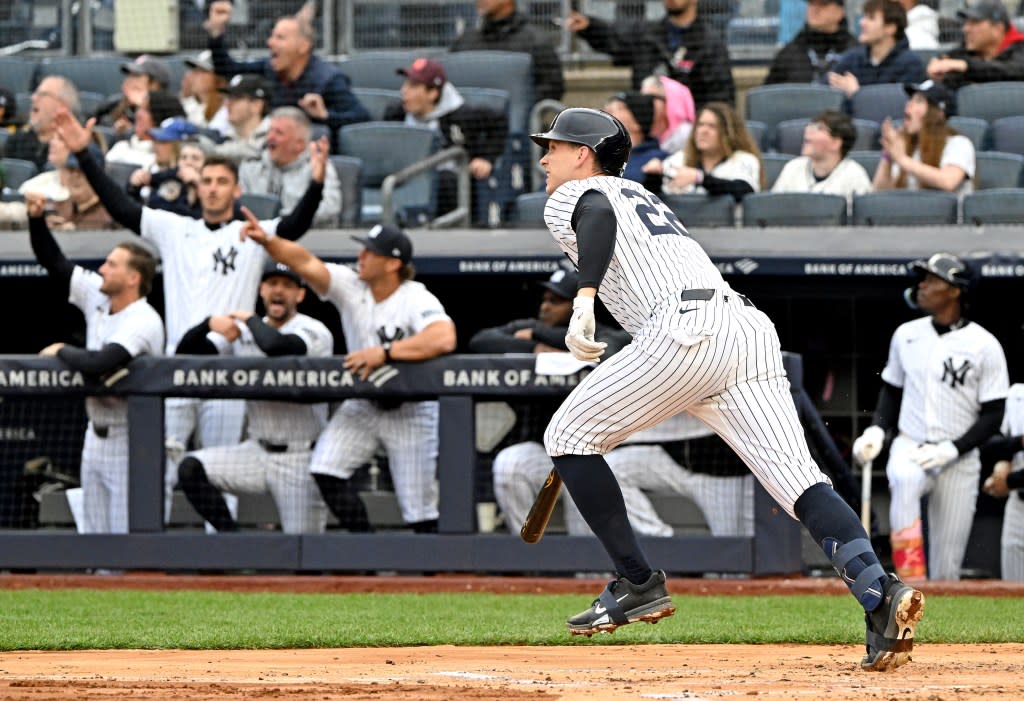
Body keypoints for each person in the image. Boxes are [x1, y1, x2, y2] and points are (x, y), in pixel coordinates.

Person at [529, 106, 923, 670]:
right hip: (744, 331)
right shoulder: (644, 197)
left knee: (568, 434)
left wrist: (584, 297)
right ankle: (880, 595)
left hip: (687, 331)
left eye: (555, 147)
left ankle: (636, 581)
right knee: (798, 482)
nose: (546, 158)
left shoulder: (579, 193)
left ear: (584, 155)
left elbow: (595, 214)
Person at [52, 106, 328, 523]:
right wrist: (85, 155)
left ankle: (221, 566)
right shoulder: (175, 228)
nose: (213, 189)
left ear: (237, 190)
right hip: (176, 368)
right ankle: (155, 561)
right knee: (159, 471)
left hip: (225, 369)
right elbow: (121, 206)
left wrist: (317, 183)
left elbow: (295, 224)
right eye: (207, 182)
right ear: (196, 188)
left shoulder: (250, 232)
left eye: (222, 182)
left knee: (218, 478)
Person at [470, 268, 752, 539]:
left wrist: (546, 338)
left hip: (605, 449)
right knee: (510, 464)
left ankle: (599, 565)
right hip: (546, 448)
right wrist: (535, 346)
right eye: (545, 299)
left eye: (556, 301)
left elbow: (608, 349)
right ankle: (530, 560)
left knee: (587, 473)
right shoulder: (528, 327)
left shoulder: (612, 336)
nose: (545, 307)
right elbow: (481, 341)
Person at [241, 222, 456, 533]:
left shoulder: (415, 297)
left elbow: (443, 337)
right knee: (325, 470)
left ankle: (433, 575)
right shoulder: (351, 285)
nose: (362, 255)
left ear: (393, 263)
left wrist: (385, 352)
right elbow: (304, 261)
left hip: (410, 409)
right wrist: (268, 241)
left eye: (371, 251)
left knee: (418, 506)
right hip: (364, 405)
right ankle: (368, 549)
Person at [852, 253, 1008, 580]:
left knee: (947, 567)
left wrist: (953, 448)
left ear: (955, 290)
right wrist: (877, 431)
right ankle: (910, 585)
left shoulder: (985, 344)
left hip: (959, 457)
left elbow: (994, 414)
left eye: (932, 280)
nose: (921, 286)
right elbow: (892, 391)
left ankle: (938, 617)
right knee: (905, 478)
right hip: (910, 445)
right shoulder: (906, 334)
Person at [26, 192, 164, 534]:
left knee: (122, 535)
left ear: (133, 278)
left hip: (130, 436)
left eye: (112, 264)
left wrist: (60, 350)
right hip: (95, 434)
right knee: (93, 532)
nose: (102, 268)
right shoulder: (100, 296)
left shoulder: (144, 319)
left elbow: (103, 362)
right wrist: (35, 219)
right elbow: (55, 263)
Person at [175, 257, 334, 534]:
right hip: (256, 451)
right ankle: (231, 541)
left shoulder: (313, 330)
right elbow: (185, 354)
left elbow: (277, 345)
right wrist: (207, 324)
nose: (278, 290)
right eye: (272, 283)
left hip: (300, 456)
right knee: (191, 468)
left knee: (305, 556)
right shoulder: (248, 331)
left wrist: (248, 318)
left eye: (287, 285)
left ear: (300, 294)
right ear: (261, 290)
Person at [203, 0, 370, 137]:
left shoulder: (327, 80)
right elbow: (227, 69)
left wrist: (324, 115)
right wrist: (216, 34)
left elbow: (362, 118)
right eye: (272, 36)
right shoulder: (270, 68)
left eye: (280, 37)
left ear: (303, 46)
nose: (270, 42)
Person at [383, 57, 509, 220]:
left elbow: (499, 121)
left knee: (446, 182)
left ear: (432, 93)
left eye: (413, 86)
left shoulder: (463, 116)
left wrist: (486, 158)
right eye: (405, 84)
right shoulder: (395, 114)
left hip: (447, 188)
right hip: (407, 179)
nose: (404, 91)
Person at [564, 0, 735, 106]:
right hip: (645, 127)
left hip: (688, 131)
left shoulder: (711, 44)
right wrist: (589, 27)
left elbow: (720, 98)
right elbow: (615, 39)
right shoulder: (647, 34)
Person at [239, 106, 341, 228]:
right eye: (270, 131)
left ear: (299, 144)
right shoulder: (251, 165)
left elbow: (330, 209)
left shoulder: (318, 167)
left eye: (279, 133)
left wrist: (284, 219)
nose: (270, 137)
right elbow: (240, 206)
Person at [449, 0, 565, 102]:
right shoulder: (465, 42)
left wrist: (523, 108)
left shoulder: (535, 41)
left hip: (519, 125)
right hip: (470, 122)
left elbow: (552, 87)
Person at [873, 80, 975, 195]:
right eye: (911, 99)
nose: (909, 104)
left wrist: (902, 159)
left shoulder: (959, 143)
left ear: (938, 113)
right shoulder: (907, 147)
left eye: (919, 101)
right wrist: (888, 156)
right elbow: (879, 194)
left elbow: (948, 182)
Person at [644, 102, 763, 200]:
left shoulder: (744, 159)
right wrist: (654, 177)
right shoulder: (680, 158)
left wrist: (700, 178)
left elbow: (745, 190)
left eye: (712, 126)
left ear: (729, 132)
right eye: (700, 125)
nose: (703, 131)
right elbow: (654, 199)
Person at [826, 0, 925, 99]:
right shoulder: (853, 58)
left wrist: (857, 94)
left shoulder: (910, 65)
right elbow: (823, 87)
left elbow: (900, 106)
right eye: (864, 17)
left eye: (871, 18)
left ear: (890, 28)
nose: (862, 23)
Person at [770, 109, 872, 201]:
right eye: (811, 125)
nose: (808, 130)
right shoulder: (793, 167)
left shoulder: (855, 175)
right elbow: (773, 208)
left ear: (836, 143)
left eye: (819, 128)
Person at [926, 0, 1024, 91]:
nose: (966, 29)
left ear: (998, 28)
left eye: (975, 22)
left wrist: (966, 66)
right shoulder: (966, 51)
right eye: (966, 23)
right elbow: (945, 65)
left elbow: (1013, 71)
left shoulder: (1020, 47)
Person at [982, 383, 1024, 580]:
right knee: (1011, 589)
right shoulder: (1017, 394)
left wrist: (1010, 480)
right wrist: (1005, 460)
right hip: (1018, 505)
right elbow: (990, 443)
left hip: (1015, 486)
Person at [764, 0, 857, 85]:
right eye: (811, 4)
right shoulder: (789, 54)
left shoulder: (856, 53)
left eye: (823, 4)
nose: (814, 9)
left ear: (840, 12)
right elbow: (767, 95)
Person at [127, 118, 205, 218]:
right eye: (184, 157)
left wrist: (199, 184)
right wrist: (133, 187)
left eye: (162, 142)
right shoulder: (156, 172)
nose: (156, 146)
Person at [4, 76, 81, 171]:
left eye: (43, 94)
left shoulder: (76, 147)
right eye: (35, 93)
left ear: (62, 105)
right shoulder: (17, 140)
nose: (33, 98)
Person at [95, 54, 173, 142]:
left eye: (136, 76)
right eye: (129, 75)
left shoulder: (170, 111)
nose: (129, 80)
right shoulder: (113, 104)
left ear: (154, 85)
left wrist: (131, 131)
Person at [602, 91, 668, 192]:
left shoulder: (660, 159)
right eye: (607, 108)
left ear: (637, 123)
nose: (608, 111)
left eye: (620, 108)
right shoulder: (598, 155)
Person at [105, 90, 187, 170]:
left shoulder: (163, 161)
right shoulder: (121, 146)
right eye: (139, 108)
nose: (138, 114)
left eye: (147, 110)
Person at [210, 74, 272, 165]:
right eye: (228, 98)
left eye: (236, 98)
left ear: (256, 105)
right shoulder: (224, 137)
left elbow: (255, 154)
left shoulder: (273, 135)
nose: (228, 104)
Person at [640, 74, 695, 156]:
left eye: (650, 98)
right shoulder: (639, 130)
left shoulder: (686, 133)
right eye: (642, 98)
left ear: (670, 101)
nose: (644, 103)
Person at [180, 50, 230, 136]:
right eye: (194, 70)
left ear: (217, 77)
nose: (194, 75)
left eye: (202, 71)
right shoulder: (192, 106)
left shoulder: (227, 108)